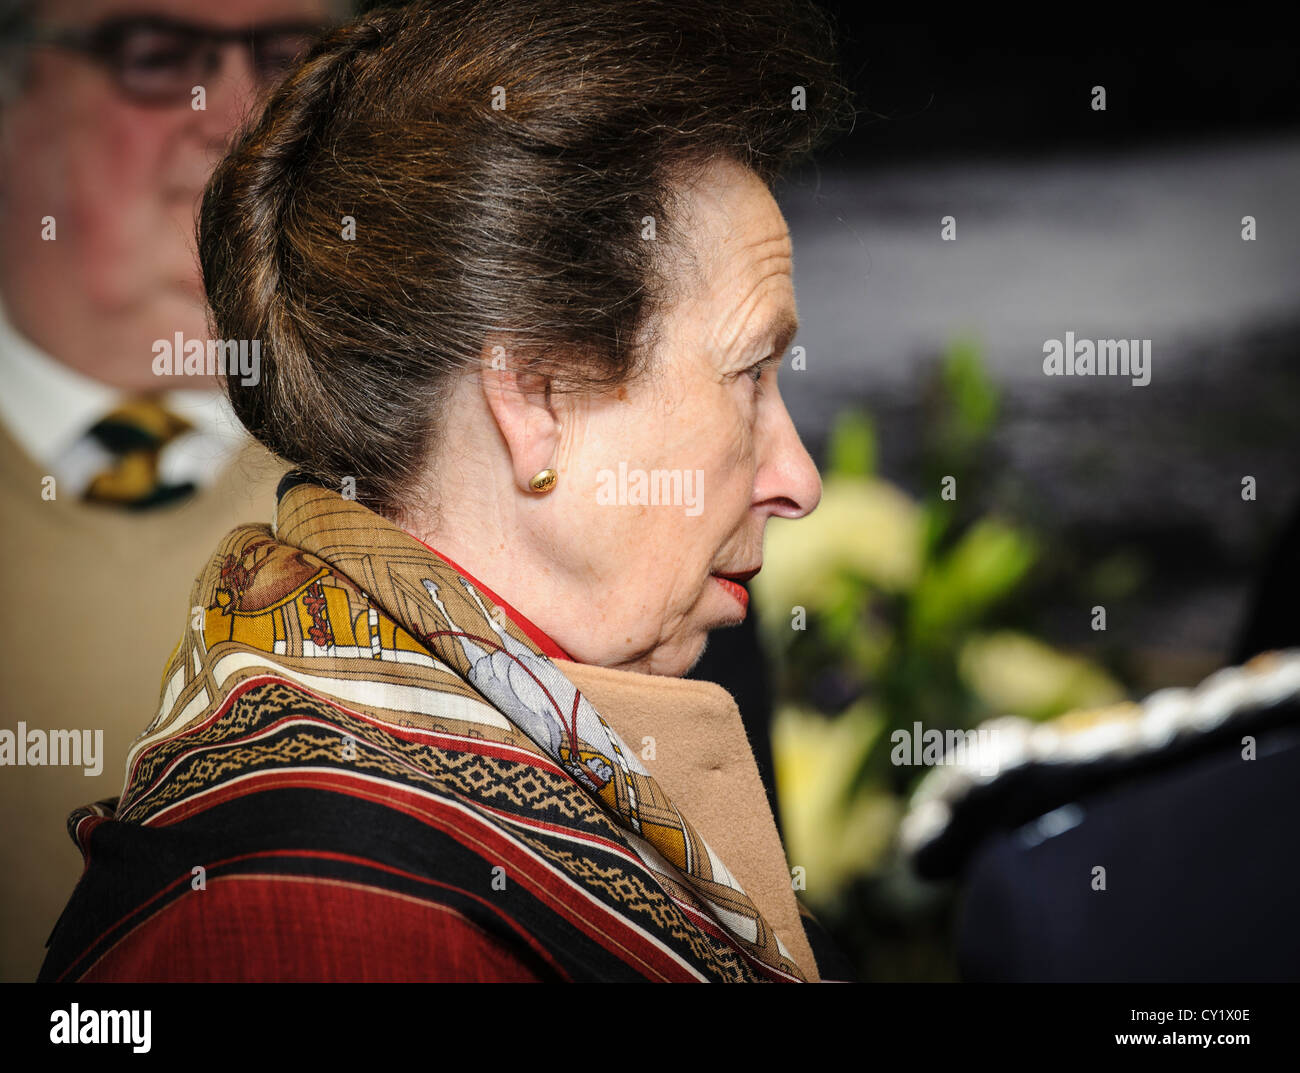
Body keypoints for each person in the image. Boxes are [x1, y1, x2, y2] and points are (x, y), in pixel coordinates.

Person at [38, 0, 857, 981]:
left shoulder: (359, 819)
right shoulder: (308, 927)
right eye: (750, 375)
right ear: (536, 400)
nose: (797, 479)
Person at [0, 0, 344, 981]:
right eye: (157, 55)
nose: (237, 109)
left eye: (286, 53)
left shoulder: (443, 475)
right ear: (10, 93)